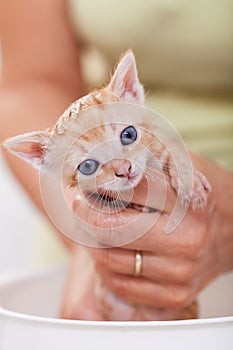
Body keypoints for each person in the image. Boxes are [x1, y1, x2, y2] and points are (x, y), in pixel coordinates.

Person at [0, 0, 232, 320]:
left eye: (127, 138)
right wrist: (86, 243)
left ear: (133, 93)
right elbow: (29, 83)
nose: (122, 169)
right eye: (90, 165)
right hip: (82, 241)